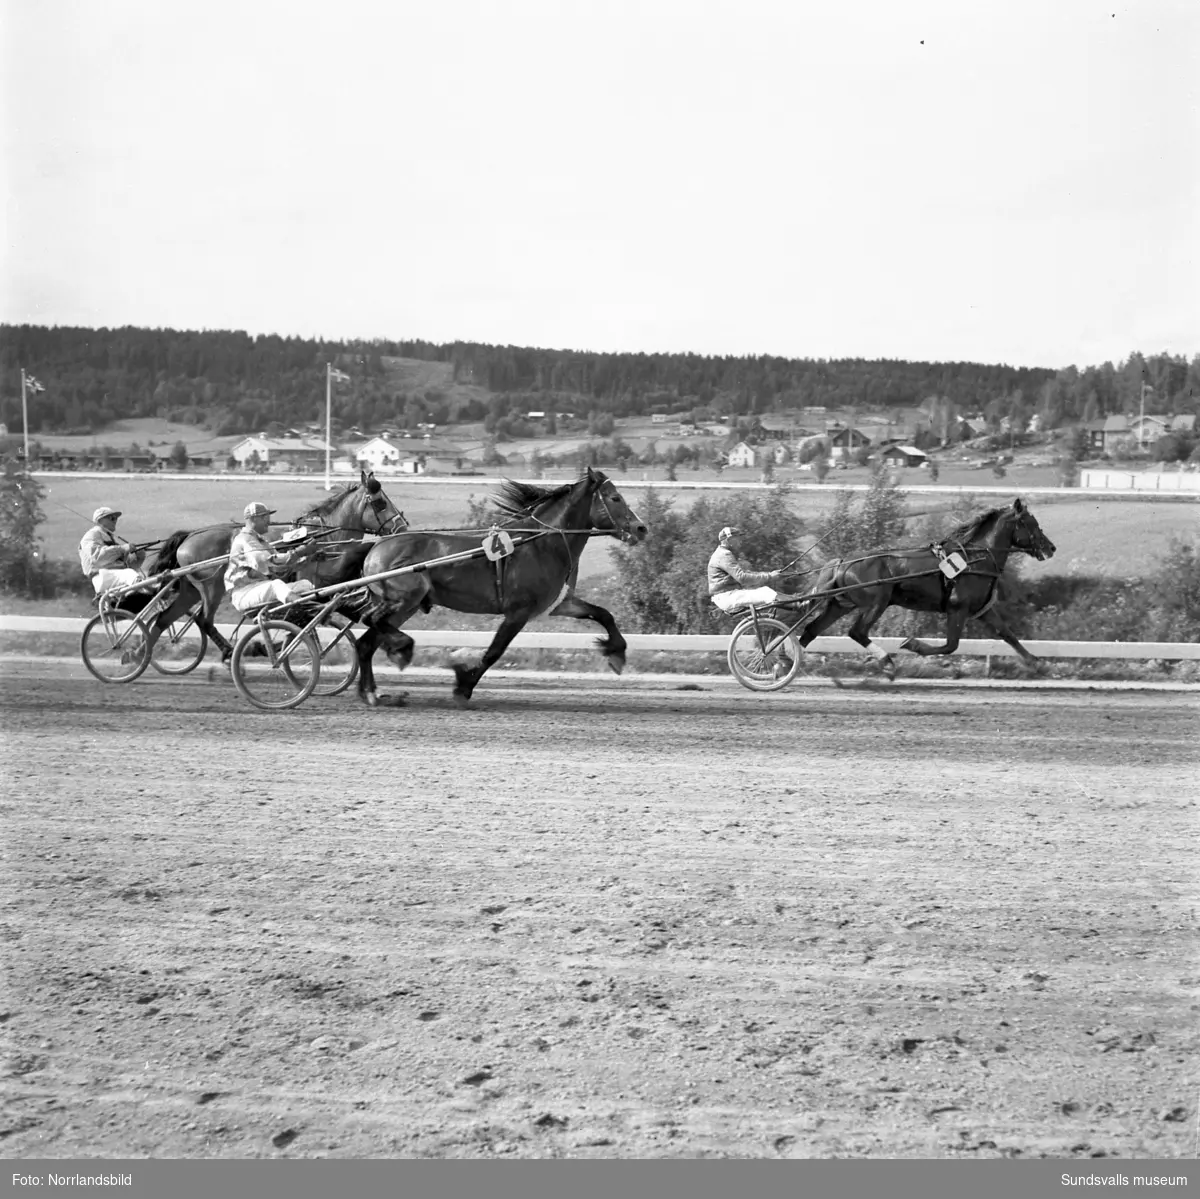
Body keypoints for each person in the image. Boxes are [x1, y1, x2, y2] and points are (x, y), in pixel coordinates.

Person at [224, 502, 318, 613]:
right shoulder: (244, 540)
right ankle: (309, 610)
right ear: (253, 519)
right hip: (243, 593)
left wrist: (310, 558)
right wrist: (299, 552)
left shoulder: (261, 542)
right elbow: (269, 562)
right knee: (276, 585)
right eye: (265, 517)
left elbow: (282, 568)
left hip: (259, 588)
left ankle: (305, 617)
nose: (269, 521)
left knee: (305, 585)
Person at [707, 526, 803, 613]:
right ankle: (800, 605)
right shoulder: (724, 555)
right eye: (738, 539)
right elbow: (742, 578)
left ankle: (795, 600)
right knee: (766, 593)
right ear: (729, 540)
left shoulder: (724, 553)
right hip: (728, 597)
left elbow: (746, 573)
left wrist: (771, 575)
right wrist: (770, 576)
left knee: (765, 591)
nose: (741, 542)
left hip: (728, 595)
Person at [79, 506, 146, 596]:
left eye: (116, 518)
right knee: (130, 575)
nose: (115, 521)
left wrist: (138, 557)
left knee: (131, 574)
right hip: (102, 576)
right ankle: (153, 590)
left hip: (114, 576)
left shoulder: (110, 539)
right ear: (99, 520)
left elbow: (127, 565)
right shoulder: (91, 535)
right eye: (112, 518)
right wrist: (122, 549)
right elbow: (98, 557)